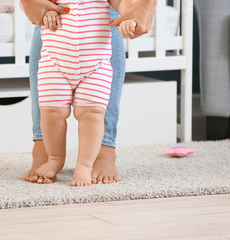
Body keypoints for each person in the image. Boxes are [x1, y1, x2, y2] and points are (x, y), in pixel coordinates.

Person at [22, 0, 157, 185]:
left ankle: (88, 161)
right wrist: (45, 12)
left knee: (92, 114)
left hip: (95, 65)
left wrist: (130, 15)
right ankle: (50, 155)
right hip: (55, 62)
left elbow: (122, 3)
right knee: (51, 111)